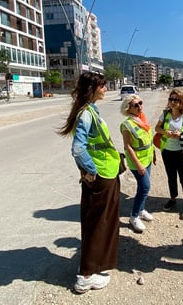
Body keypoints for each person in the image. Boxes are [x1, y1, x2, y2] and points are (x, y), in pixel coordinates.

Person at [58, 72, 121, 293]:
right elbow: (78, 148)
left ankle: (92, 267)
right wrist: (91, 170)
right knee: (98, 224)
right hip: (101, 176)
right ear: (92, 88)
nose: (105, 89)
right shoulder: (87, 114)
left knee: (99, 223)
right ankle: (86, 275)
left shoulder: (91, 110)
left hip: (105, 172)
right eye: (102, 86)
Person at [154, 89, 183, 219]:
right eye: (171, 99)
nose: (172, 102)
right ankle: (173, 199)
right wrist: (165, 132)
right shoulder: (165, 114)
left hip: (182, 152)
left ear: (181, 102)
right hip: (167, 151)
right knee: (171, 177)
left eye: (175, 100)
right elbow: (156, 128)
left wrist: (181, 134)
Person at [120, 94, 155, 233]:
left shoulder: (143, 119)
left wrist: (153, 154)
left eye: (140, 103)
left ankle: (141, 210)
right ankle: (134, 216)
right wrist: (139, 165)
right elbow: (128, 146)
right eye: (136, 105)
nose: (140, 106)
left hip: (147, 159)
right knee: (145, 187)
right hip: (137, 162)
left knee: (143, 187)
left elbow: (148, 139)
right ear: (129, 108)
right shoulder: (127, 125)